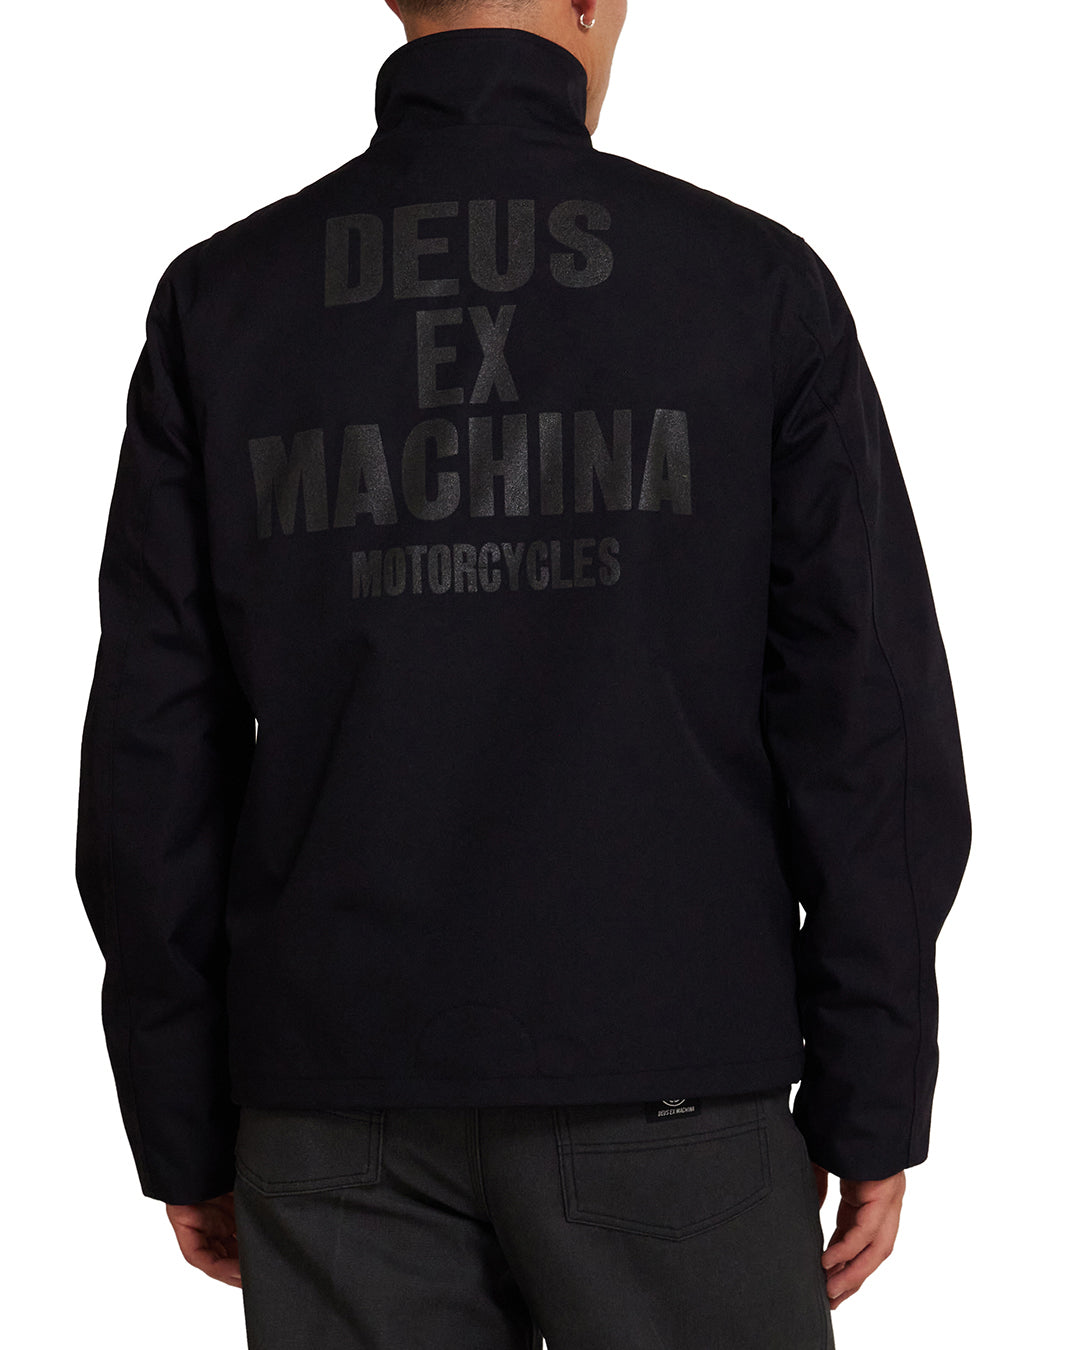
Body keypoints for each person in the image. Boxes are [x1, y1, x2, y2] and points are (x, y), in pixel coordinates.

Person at [74, 0, 972, 1345]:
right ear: (593, 2)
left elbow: (152, 760)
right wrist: (874, 1090)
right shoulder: (751, 284)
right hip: (674, 1093)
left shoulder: (225, 301)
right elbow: (869, 733)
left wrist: (181, 1111)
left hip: (333, 1103)